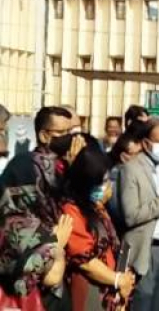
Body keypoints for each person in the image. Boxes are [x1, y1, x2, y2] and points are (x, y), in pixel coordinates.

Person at [0, 106, 77, 309]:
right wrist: (53, 246)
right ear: (44, 135)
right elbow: (14, 225)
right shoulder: (24, 167)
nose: (69, 138)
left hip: (57, 266)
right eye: (62, 133)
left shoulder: (63, 166)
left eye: (71, 132)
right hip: (31, 271)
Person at [61, 136, 135, 310]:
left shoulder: (95, 207)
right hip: (91, 290)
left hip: (110, 285)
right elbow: (84, 259)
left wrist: (123, 278)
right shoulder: (72, 210)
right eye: (101, 182)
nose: (106, 186)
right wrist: (117, 280)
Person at [118, 120, 159, 311]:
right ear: (146, 143)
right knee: (143, 301)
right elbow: (131, 215)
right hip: (145, 248)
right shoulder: (131, 169)